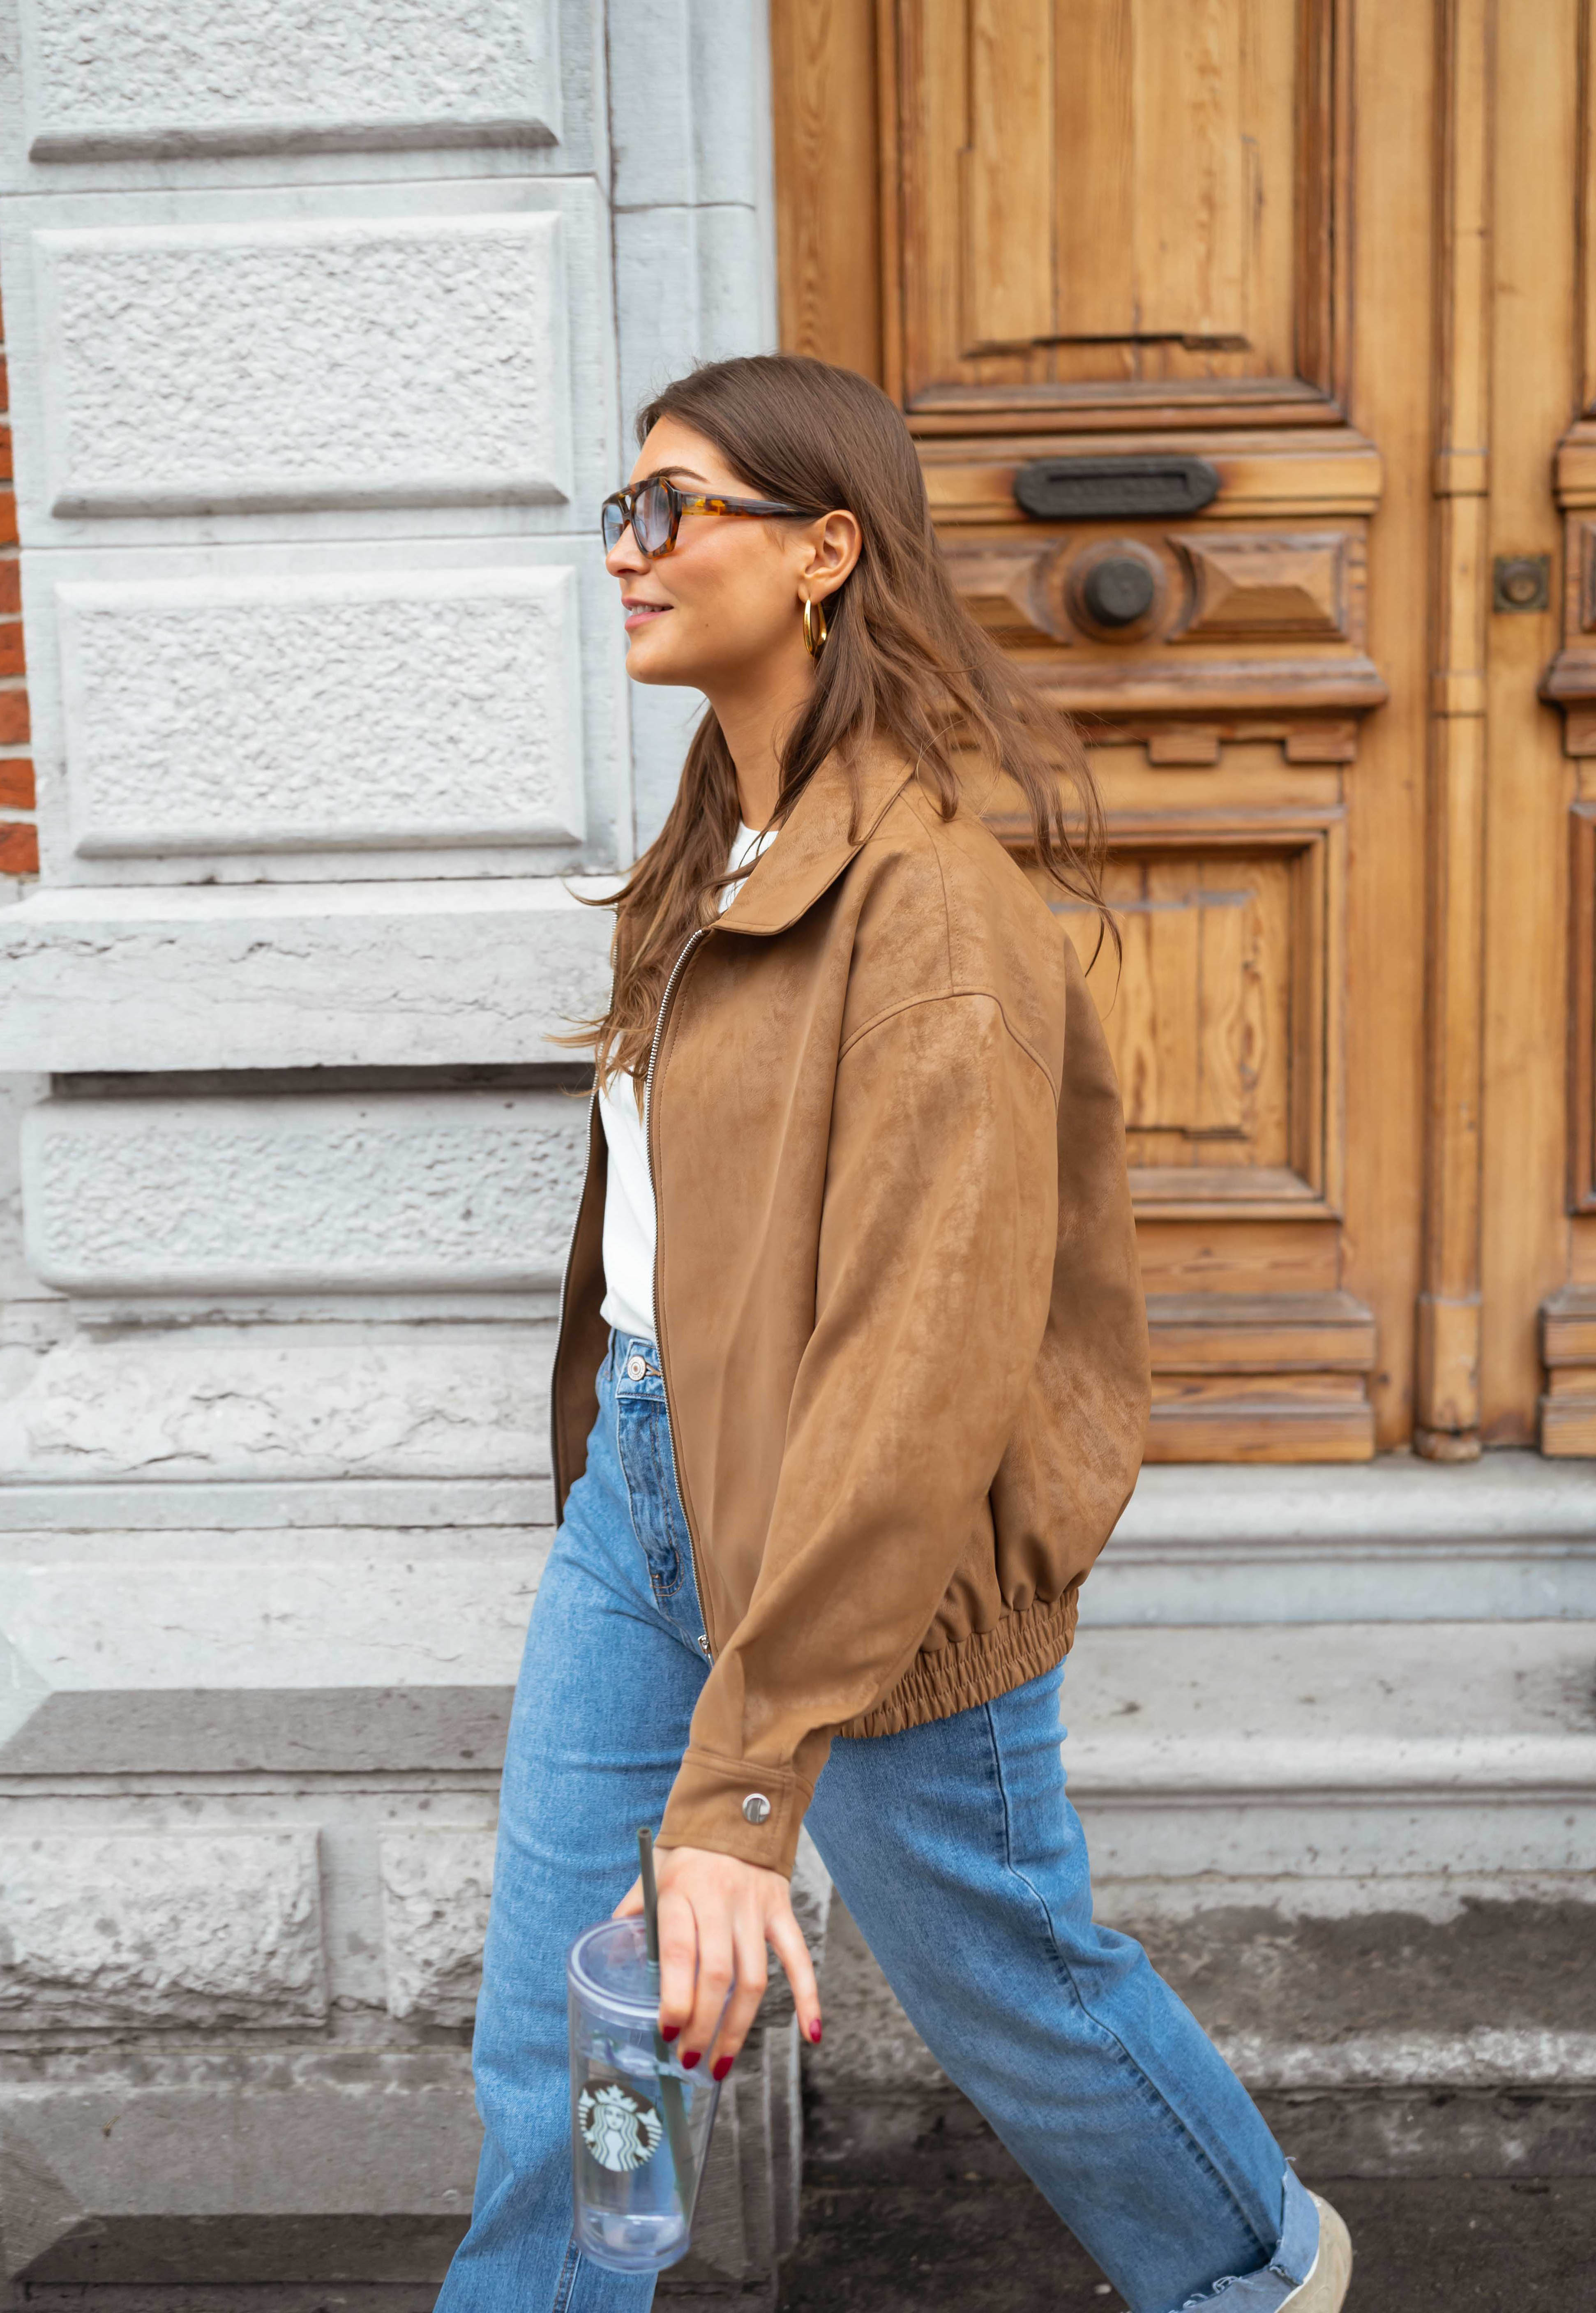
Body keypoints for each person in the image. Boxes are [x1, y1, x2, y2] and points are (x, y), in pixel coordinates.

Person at [436, 353, 1353, 2313]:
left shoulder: (931, 906)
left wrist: (751, 1781)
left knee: (1012, 1988)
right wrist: (631, 1474)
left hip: (878, 1531)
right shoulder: (712, 855)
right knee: (565, 2031)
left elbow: (918, 1354)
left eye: (675, 507)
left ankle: (1251, 2271)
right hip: (653, 1502)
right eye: (625, 510)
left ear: (825, 550)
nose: (632, 551)